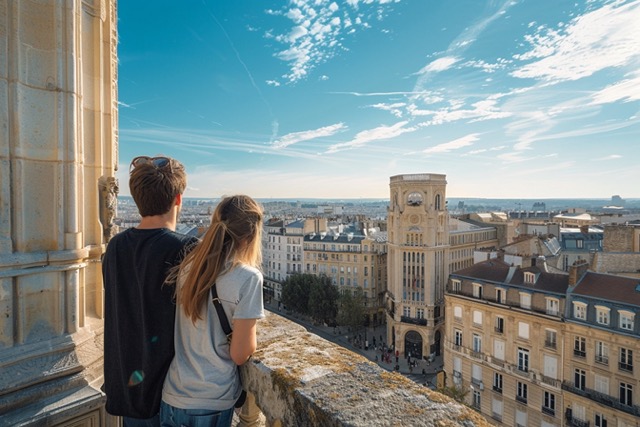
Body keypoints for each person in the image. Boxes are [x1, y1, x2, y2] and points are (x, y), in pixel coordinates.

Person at [103, 156, 198, 426]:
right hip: (171, 391)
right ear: (178, 199)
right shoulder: (187, 248)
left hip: (128, 388)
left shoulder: (115, 247)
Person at [160, 195, 265, 427]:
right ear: (251, 235)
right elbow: (240, 354)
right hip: (211, 398)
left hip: (172, 393)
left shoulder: (189, 266)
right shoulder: (247, 278)